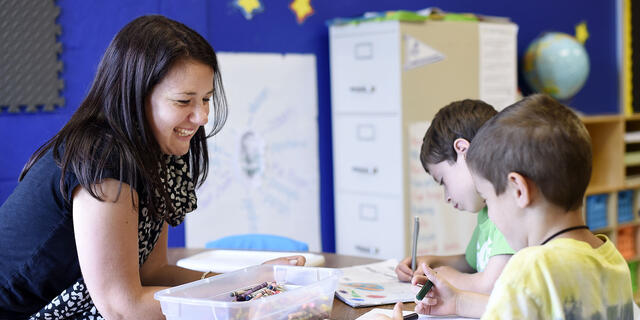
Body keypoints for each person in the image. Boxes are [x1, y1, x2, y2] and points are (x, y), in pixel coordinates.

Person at [0, 15, 304, 319]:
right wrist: (238, 289)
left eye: (206, 99)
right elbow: (122, 309)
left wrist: (248, 281)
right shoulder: (103, 159)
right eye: (184, 101)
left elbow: (153, 272)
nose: (201, 117)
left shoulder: (161, 150)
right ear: (135, 97)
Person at [405, 94, 633, 319]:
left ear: (519, 190)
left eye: (489, 199)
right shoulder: (613, 260)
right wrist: (459, 301)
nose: (490, 215)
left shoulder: (531, 269)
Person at [395, 99, 514, 295]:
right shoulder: (487, 211)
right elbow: (471, 262)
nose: (446, 197)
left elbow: (492, 284)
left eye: (443, 181)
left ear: (463, 151)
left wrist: (446, 277)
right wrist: (431, 262)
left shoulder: (507, 209)